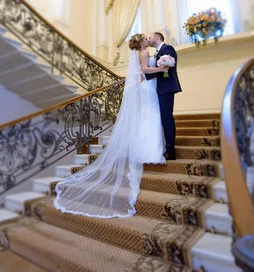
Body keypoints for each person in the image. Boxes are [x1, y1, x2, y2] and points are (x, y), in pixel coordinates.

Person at [54, 33, 168, 218]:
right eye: (145, 38)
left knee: (148, 115)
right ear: (141, 43)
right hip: (149, 86)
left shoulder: (143, 53)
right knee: (151, 115)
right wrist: (162, 69)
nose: (148, 39)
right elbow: (145, 70)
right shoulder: (145, 53)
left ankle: (147, 149)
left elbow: (140, 72)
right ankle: (152, 151)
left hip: (147, 87)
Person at [145, 32, 182, 160]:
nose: (148, 40)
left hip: (166, 88)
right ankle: (166, 146)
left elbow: (165, 68)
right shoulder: (157, 52)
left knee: (167, 118)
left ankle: (171, 150)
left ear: (156, 37)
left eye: (150, 37)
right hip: (160, 88)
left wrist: (146, 76)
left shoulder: (168, 49)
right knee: (163, 118)